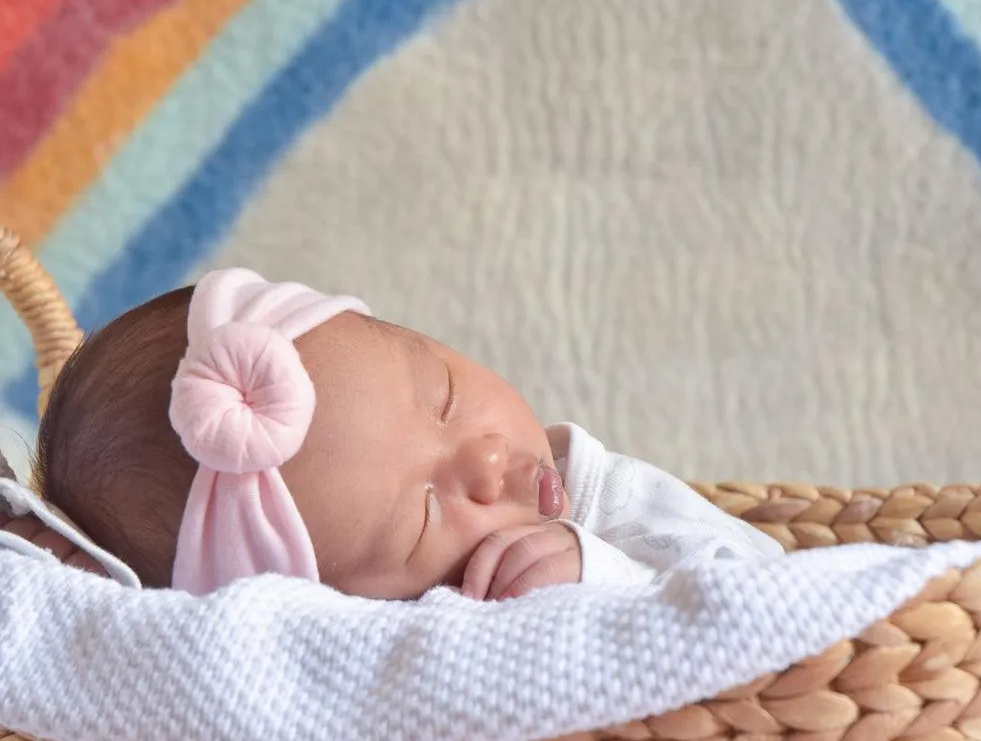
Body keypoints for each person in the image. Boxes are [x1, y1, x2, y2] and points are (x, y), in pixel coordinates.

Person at [23, 269, 781, 599]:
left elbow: (769, 597)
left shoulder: (603, 499)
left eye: (445, 395)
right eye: (423, 515)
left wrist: (600, 577)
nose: (485, 461)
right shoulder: (397, 656)